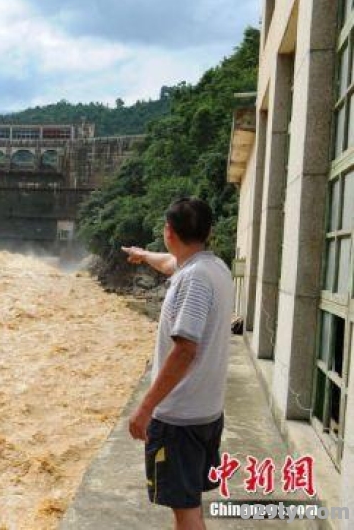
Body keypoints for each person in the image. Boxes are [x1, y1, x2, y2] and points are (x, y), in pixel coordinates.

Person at [122, 197, 233, 530]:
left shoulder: (193, 280)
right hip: (206, 412)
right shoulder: (214, 268)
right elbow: (170, 263)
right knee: (189, 503)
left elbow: (184, 350)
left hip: (179, 419)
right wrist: (142, 256)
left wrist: (145, 408)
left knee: (184, 511)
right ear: (209, 231)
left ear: (168, 230)